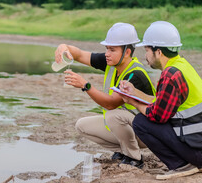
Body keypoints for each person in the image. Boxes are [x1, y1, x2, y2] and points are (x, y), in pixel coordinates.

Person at [119, 21, 202, 180]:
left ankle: (181, 165)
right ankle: (191, 160)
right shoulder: (180, 65)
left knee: (141, 122)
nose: (145, 55)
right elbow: (161, 102)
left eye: (147, 49)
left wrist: (133, 102)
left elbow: (157, 115)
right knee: (153, 118)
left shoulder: (170, 74)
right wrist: (135, 92)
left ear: (158, 52)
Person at [55, 23, 155, 168]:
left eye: (112, 49)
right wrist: (64, 47)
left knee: (112, 115)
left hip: (148, 132)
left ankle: (134, 157)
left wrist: (85, 85)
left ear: (127, 52)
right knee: (81, 126)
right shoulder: (111, 62)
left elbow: (110, 104)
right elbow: (80, 55)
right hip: (129, 126)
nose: (107, 53)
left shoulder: (135, 74)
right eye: (107, 48)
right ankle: (123, 150)